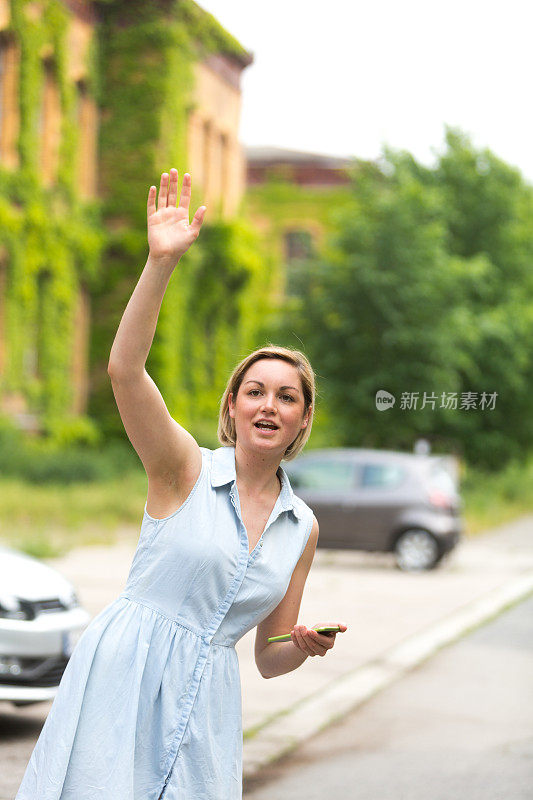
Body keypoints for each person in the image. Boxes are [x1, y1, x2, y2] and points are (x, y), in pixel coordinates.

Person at [15, 169, 347, 800]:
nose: (268, 406)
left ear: (304, 417)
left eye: (286, 397)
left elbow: (268, 658)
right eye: (255, 392)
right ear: (233, 406)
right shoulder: (183, 468)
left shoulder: (301, 528)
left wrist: (302, 646)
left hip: (208, 704)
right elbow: (124, 369)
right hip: (124, 675)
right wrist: (160, 264)